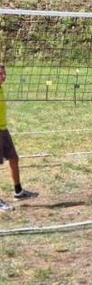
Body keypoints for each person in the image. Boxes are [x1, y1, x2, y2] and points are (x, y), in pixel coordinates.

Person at [0, 64, 38, 212]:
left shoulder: (1, 87)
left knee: (14, 158)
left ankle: (18, 192)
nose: (3, 76)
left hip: (3, 129)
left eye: (4, 74)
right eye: (0, 74)